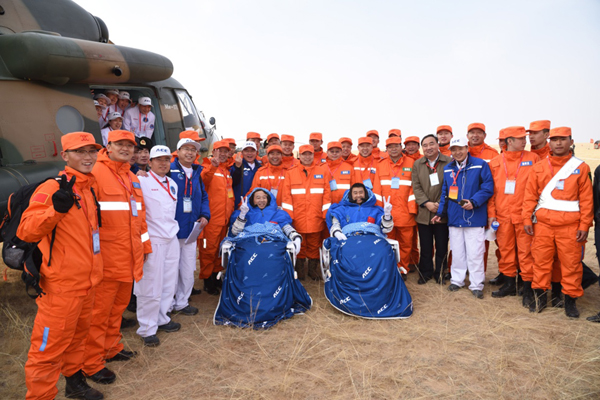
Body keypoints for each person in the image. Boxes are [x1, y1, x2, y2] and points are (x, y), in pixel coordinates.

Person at [19, 132, 104, 400]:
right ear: (65, 156)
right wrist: (55, 210)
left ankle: (74, 383)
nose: (88, 157)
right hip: (61, 289)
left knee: (78, 339)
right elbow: (26, 231)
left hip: (87, 284)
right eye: (80, 151)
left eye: (92, 151)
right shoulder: (52, 188)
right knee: (47, 350)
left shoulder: (88, 188)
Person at [83, 130, 151, 384]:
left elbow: (139, 217)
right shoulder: (95, 173)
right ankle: (91, 363)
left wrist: (145, 247)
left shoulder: (131, 176)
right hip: (106, 259)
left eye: (129, 145)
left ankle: (111, 348)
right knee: (99, 313)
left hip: (128, 257)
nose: (125, 149)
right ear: (108, 146)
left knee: (117, 310)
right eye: (120, 144)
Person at [522, 127, 593, 317]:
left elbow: (587, 200)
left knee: (571, 265)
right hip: (542, 226)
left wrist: (584, 225)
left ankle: (570, 301)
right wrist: (527, 218)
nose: (559, 143)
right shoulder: (539, 167)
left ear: (571, 141)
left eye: (563, 139)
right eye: (554, 139)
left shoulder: (581, 168)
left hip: (571, 227)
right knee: (540, 262)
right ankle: (540, 298)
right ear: (549, 142)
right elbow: (530, 196)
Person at [432, 136, 494, 299]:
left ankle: (476, 285)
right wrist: (440, 213)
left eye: (460, 148)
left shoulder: (480, 165)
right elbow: (445, 193)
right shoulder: (448, 169)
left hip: (474, 218)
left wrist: (474, 201)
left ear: (467, 148)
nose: (457, 152)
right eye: (454, 149)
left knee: (475, 253)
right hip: (454, 218)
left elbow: (488, 188)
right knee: (457, 252)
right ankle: (457, 280)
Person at [487, 127, 540, 301]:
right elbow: (491, 192)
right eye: (521, 139)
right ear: (509, 141)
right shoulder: (495, 162)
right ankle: (509, 284)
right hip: (502, 216)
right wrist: (492, 214)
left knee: (526, 252)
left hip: (525, 216)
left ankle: (527, 287)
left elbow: (539, 187)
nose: (525, 141)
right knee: (506, 251)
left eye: (525, 138)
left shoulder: (533, 159)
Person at [136, 145, 181, 347]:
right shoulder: (141, 180)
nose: (163, 163)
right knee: (150, 285)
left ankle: (162, 318)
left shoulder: (172, 183)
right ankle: (147, 328)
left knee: (169, 282)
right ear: (150, 162)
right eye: (159, 159)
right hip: (153, 240)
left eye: (166, 159)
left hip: (171, 238)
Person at [170, 138, 210, 313]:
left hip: (191, 229)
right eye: (186, 149)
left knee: (187, 268)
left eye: (193, 150)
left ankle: (182, 302)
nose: (190, 153)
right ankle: (167, 304)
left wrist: (205, 215)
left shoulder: (196, 173)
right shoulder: (168, 170)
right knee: (171, 270)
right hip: (172, 229)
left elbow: (203, 197)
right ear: (178, 152)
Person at [282, 144, 332, 280]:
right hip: (298, 216)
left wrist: (325, 214)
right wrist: (289, 217)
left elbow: (327, 195)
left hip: (315, 215)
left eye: (310, 154)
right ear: (299, 156)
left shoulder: (322, 171)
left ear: (313, 155)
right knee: (300, 243)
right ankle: (300, 270)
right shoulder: (291, 172)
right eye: (304, 154)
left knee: (314, 244)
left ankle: (312, 270)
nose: (307, 157)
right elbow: (286, 197)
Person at [373, 137, 417, 276]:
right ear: (386, 149)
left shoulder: (412, 163)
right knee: (387, 243)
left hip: (405, 213)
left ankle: (402, 269)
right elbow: (376, 189)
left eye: (396, 146)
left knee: (405, 244)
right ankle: (390, 270)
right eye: (390, 147)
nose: (393, 149)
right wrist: (379, 211)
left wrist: (412, 209)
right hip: (387, 214)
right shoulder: (380, 165)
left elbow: (415, 188)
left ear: (401, 146)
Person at [412, 134, 452, 284]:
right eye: (425, 145)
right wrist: (426, 203)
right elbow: (416, 187)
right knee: (425, 245)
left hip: (442, 213)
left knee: (441, 246)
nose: (428, 147)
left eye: (431, 144)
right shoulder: (418, 164)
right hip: (424, 212)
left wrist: (440, 205)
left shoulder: (449, 162)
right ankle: (425, 272)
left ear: (437, 145)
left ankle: (440, 273)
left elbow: (451, 185)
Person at [200, 140, 234, 295]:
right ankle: (207, 280)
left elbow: (229, 194)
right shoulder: (207, 167)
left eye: (225, 151)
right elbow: (203, 181)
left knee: (219, 250)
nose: (223, 154)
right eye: (220, 150)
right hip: (212, 219)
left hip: (224, 220)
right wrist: (212, 167)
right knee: (208, 250)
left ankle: (216, 275)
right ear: (213, 152)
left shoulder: (226, 171)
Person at [230, 188, 302, 247]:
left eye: (264, 197)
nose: (261, 200)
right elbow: (235, 232)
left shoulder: (278, 213)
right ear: (252, 200)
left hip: (273, 246)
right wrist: (242, 215)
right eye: (258, 198)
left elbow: (286, 227)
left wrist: (295, 236)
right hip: (249, 245)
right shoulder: (244, 214)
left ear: (269, 199)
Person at [326, 183, 393, 235]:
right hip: (348, 242)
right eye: (355, 193)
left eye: (361, 192)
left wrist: (387, 216)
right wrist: (337, 233)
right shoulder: (341, 210)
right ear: (350, 195)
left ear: (365, 194)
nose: (358, 195)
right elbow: (335, 225)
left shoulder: (376, 211)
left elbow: (386, 229)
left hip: (372, 242)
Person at [231, 141, 261, 208]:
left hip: (256, 207)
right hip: (239, 206)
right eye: (246, 151)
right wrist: (237, 168)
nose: (249, 153)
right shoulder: (236, 166)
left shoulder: (260, 168)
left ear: (256, 152)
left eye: (252, 151)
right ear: (242, 152)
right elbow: (232, 183)